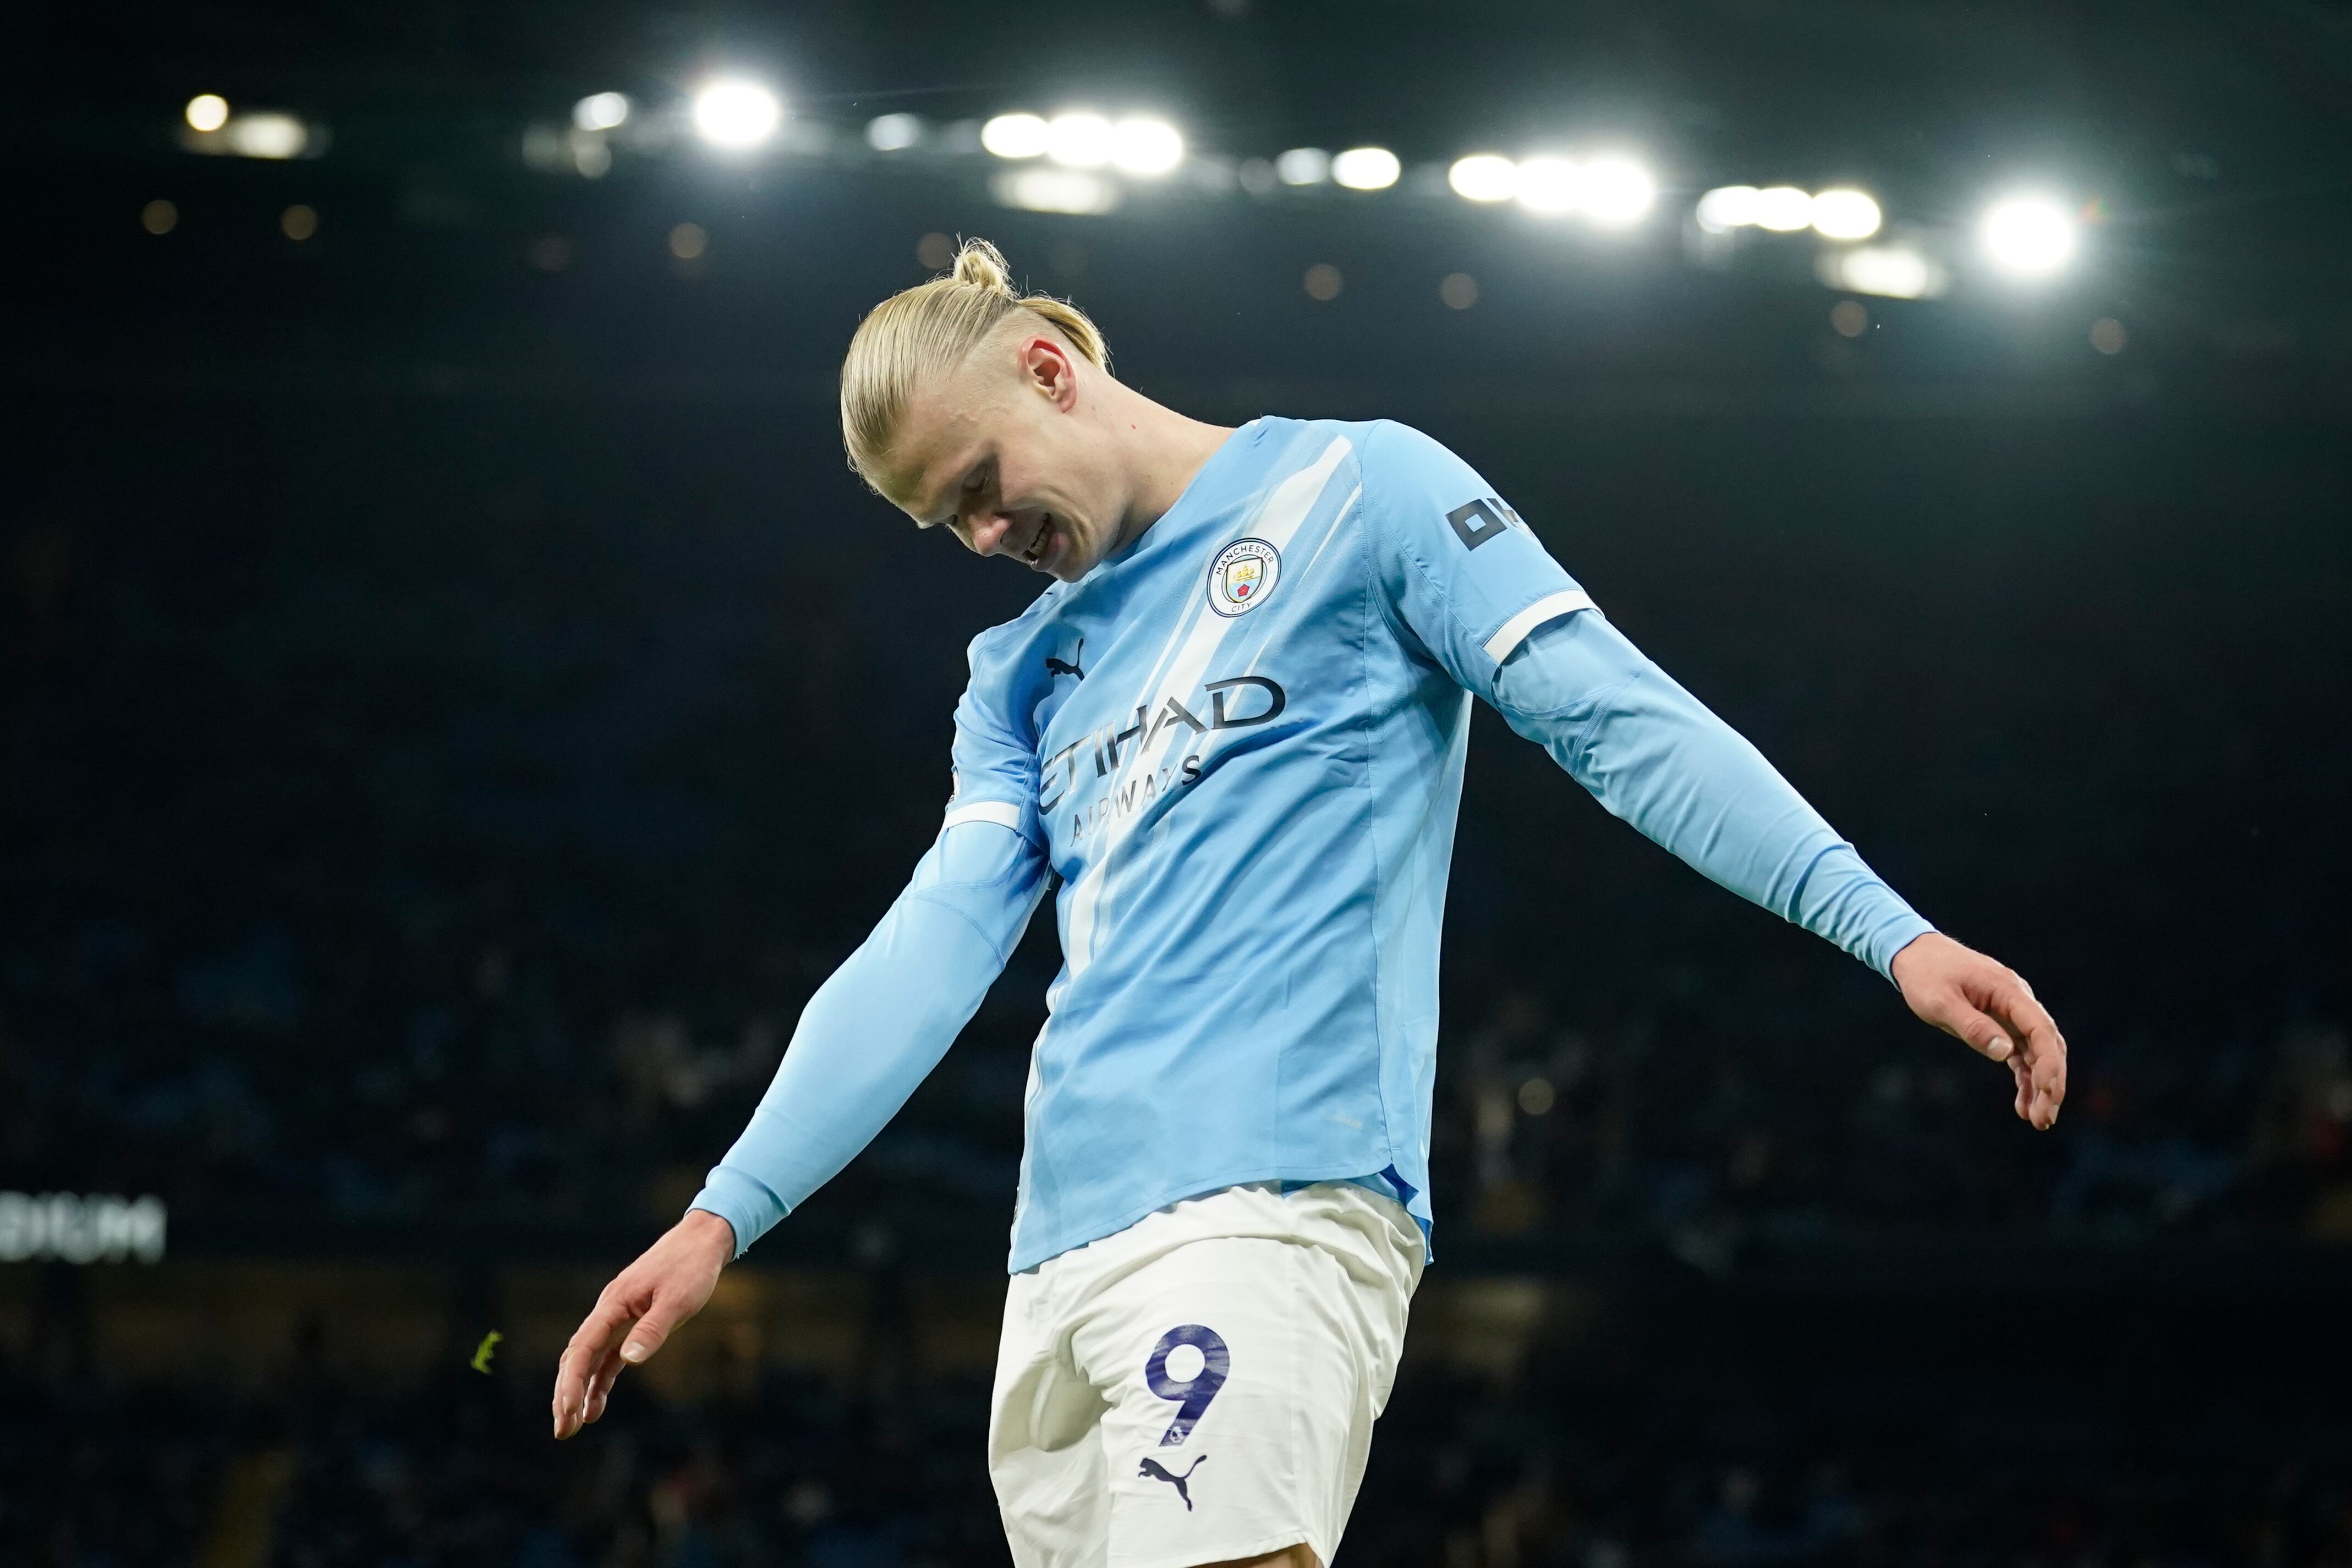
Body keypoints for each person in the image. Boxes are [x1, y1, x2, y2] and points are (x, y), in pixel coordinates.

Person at [552, 239, 2068, 1568]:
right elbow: (933, 941)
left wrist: (1884, 927)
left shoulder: (1360, 490)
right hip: (1057, 1256)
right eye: (944, 525)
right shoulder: (1015, 676)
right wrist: (723, 1213)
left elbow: (1612, 718)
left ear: (1049, 371)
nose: (984, 540)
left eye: (981, 487)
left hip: (1269, 1196)